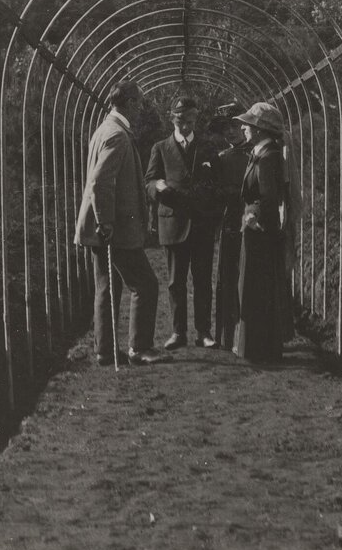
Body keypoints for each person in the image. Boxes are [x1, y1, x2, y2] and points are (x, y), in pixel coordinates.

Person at [74, 79, 170, 367]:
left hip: (102, 228)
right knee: (146, 284)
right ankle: (140, 348)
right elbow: (100, 181)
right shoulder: (117, 135)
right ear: (127, 103)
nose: (140, 108)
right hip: (113, 230)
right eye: (138, 102)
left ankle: (105, 351)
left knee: (107, 286)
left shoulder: (104, 130)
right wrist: (106, 223)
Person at [146, 95, 221, 350]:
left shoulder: (208, 147)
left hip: (201, 224)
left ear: (195, 119)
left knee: (202, 279)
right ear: (171, 118)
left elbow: (216, 184)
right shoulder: (160, 148)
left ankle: (204, 332)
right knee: (175, 281)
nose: (185, 125)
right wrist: (158, 186)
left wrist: (210, 201)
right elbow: (149, 181)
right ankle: (178, 333)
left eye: (190, 120)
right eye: (180, 120)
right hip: (173, 222)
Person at [233, 101, 295, 365]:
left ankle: (259, 350)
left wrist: (252, 215)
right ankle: (258, 347)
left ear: (260, 130)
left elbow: (269, 198)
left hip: (261, 232)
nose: (244, 129)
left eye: (248, 125)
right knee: (256, 288)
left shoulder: (267, 156)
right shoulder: (261, 152)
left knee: (256, 288)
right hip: (256, 229)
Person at [208, 101, 249, 351]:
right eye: (226, 128)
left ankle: (245, 335)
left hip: (251, 221)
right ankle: (226, 335)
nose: (230, 132)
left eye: (235, 126)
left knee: (248, 276)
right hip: (229, 222)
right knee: (227, 275)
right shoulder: (221, 158)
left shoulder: (256, 153)